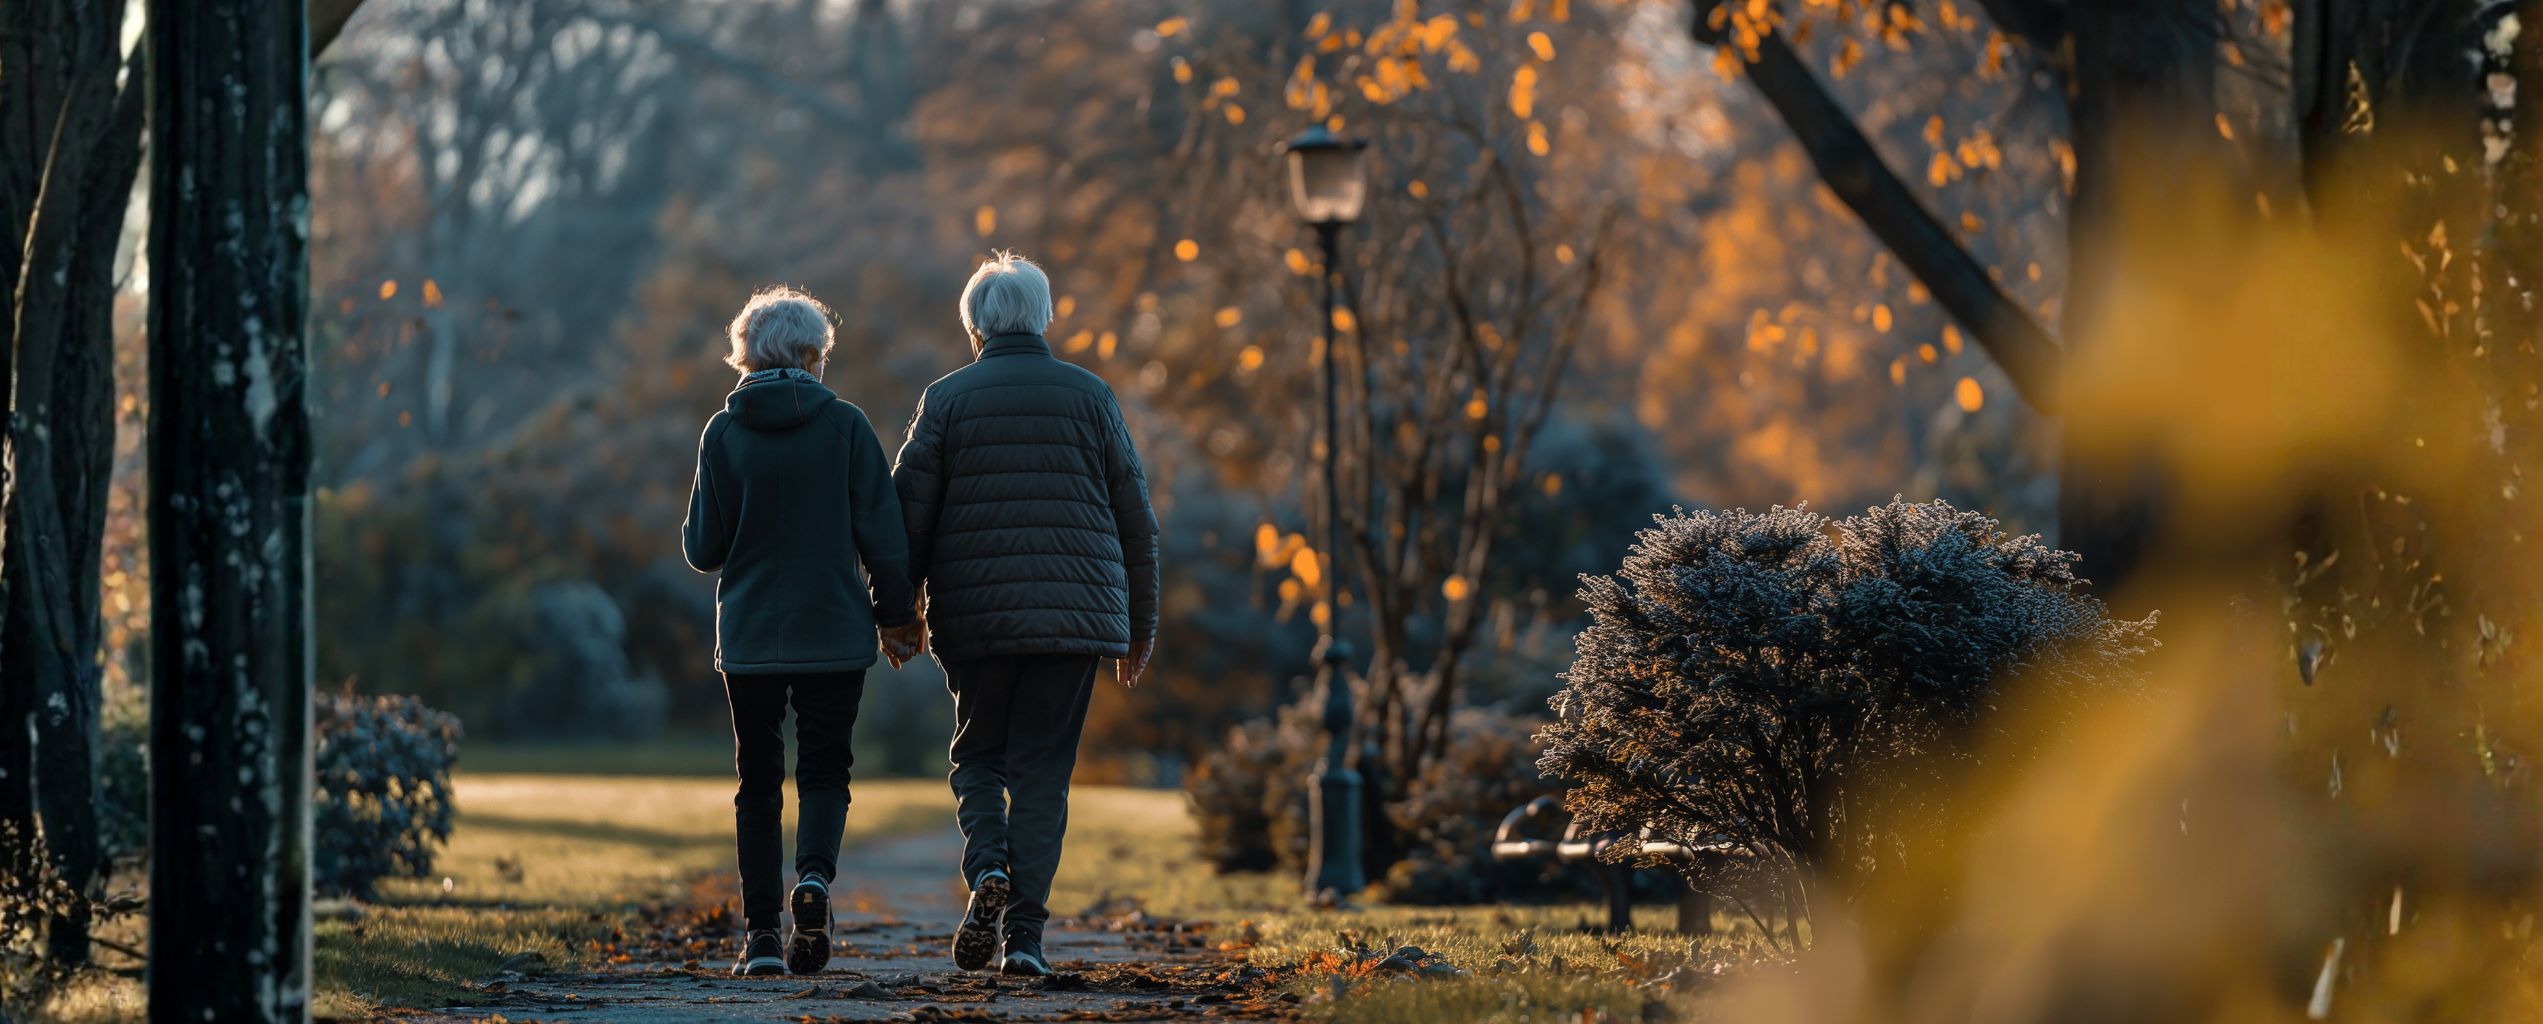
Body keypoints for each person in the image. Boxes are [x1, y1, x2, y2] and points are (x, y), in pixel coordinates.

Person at [893, 251, 1158, 977]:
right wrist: (1141, 627)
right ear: (1043, 317)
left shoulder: (945, 399)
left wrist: (898, 611)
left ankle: (986, 873)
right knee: (1042, 774)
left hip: (976, 620)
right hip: (1076, 621)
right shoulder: (1091, 395)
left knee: (977, 756)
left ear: (973, 324)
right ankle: (1027, 942)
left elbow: (906, 520)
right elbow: (1136, 519)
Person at [682, 286, 928, 977]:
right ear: (814, 355)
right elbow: (883, 539)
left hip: (753, 634)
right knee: (825, 770)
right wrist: (897, 618)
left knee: (756, 782)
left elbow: (704, 548)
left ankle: (761, 936)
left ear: (746, 356)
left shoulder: (722, 434)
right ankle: (813, 882)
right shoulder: (846, 427)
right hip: (834, 630)